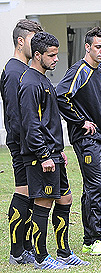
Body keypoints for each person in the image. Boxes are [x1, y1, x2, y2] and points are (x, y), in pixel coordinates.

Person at [19, 32, 88, 268]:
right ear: (37, 55)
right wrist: (44, 154)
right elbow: (30, 124)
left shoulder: (43, 79)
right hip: (41, 157)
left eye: (56, 54)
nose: (56, 59)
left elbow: (47, 121)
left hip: (53, 154)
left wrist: (57, 150)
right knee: (44, 202)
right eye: (51, 55)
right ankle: (40, 257)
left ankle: (64, 253)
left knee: (65, 198)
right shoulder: (29, 83)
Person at [56, 27, 101, 256]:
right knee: (94, 186)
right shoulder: (79, 70)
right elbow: (61, 96)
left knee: (95, 188)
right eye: (98, 47)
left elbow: (99, 102)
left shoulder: (99, 71)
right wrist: (82, 122)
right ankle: (95, 239)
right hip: (86, 140)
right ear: (87, 47)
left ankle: (90, 239)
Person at [2, 19, 42, 265]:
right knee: (23, 192)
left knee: (30, 195)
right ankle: (17, 252)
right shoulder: (14, 70)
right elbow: (15, 116)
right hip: (21, 145)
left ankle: (25, 246)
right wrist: (26, 146)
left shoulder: (24, 69)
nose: (37, 45)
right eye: (33, 40)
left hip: (28, 144)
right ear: (20, 41)